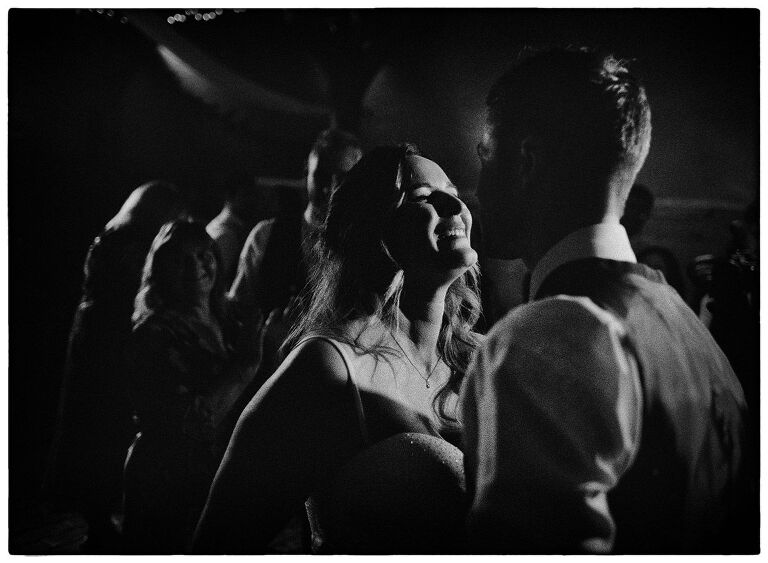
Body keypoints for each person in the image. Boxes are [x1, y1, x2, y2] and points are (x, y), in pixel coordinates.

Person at [461, 46, 754, 554]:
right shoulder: (689, 329)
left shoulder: (552, 331)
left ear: (526, 162)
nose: (477, 188)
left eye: (485, 157)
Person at [193, 144, 481, 554]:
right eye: (422, 197)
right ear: (373, 229)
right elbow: (217, 547)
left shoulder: (480, 361)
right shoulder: (330, 368)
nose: (453, 203)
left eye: (451, 189)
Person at [44, 180, 185, 553]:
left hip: (96, 336)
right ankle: (99, 520)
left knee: (92, 427)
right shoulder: (131, 243)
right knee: (101, 428)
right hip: (109, 340)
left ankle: (98, 518)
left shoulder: (115, 234)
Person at [121, 220, 260, 553]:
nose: (197, 266)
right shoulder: (153, 334)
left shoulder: (229, 319)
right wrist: (246, 365)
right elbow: (191, 424)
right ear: (159, 271)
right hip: (167, 482)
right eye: (180, 260)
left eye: (203, 254)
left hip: (219, 475)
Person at [228, 129, 363, 370]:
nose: (330, 188)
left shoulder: (364, 245)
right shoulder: (266, 234)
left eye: (341, 178)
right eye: (322, 176)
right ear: (306, 174)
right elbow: (239, 308)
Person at [206, 171, 265, 288]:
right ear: (230, 196)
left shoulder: (216, 225)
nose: (253, 201)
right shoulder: (227, 236)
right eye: (247, 195)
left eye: (254, 195)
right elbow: (215, 283)